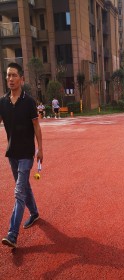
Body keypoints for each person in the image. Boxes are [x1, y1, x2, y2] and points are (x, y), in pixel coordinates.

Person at [0, 62, 43, 248]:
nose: (10, 79)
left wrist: (40, 149)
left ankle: (12, 234)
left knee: (19, 192)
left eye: (14, 75)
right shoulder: (2, 102)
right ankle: (34, 213)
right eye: (8, 75)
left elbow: (36, 126)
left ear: (21, 79)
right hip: (12, 153)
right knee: (24, 187)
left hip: (26, 153)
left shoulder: (29, 102)